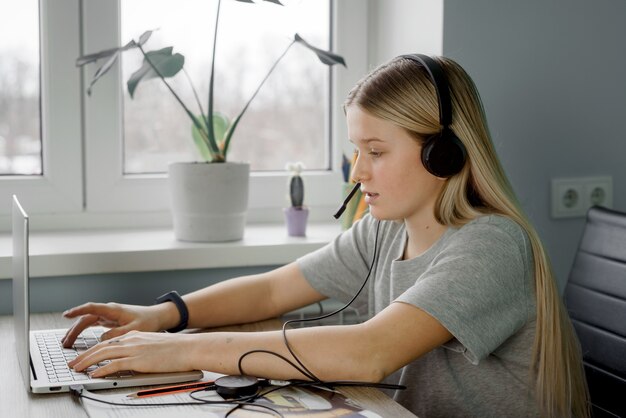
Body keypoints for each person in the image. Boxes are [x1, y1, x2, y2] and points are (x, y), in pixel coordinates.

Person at [62, 55, 589, 417]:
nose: (357, 172)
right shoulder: (385, 231)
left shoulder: (491, 245)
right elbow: (273, 290)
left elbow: (370, 352)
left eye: (376, 152)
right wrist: (163, 317)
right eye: (355, 151)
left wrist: (181, 354)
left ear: (442, 153)